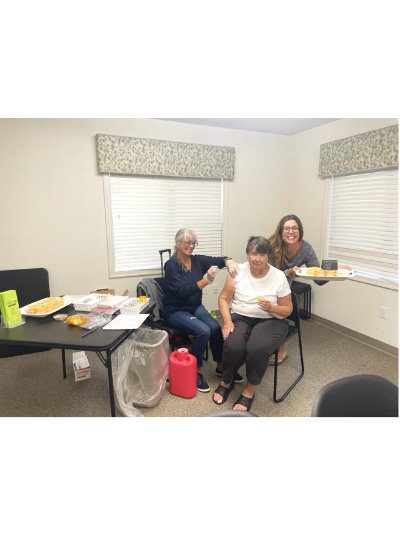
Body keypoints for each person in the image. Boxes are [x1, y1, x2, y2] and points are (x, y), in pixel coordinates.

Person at [213, 236, 292, 412]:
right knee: (233, 345)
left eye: (262, 255)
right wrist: (227, 321)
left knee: (256, 348)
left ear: (268, 256)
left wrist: (272, 307)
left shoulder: (278, 276)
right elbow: (224, 299)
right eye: (253, 254)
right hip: (241, 317)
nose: (256, 259)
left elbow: (287, 310)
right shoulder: (237, 271)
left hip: (271, 319)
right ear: (247, 254)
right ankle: (227, 381)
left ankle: (249, 390)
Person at [163, 228, 240, 393]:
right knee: (203, 331)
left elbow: (218, 260)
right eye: (187, 242)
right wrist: (206, 281)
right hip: (175, 310)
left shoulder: (197, 260)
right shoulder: (170, 266)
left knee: (214, 327)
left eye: (193, 243)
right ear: (178, 243)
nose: (190, 246)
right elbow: (182, 292)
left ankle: (220, 365)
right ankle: (195, 370)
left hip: (194, 306)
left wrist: (229, 261)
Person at [268, 214, 352, 365]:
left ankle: (281, 350)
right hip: (267, 283)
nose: (291, 232)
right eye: (287, 228)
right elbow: (267, 274)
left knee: (278, 313)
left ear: (300, 231)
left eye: (295, 228)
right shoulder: (272, 246)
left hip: (285, 286)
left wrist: (336, 271)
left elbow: (319, 278)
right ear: (281, 231)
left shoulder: (305, 249)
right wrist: (287, 272)